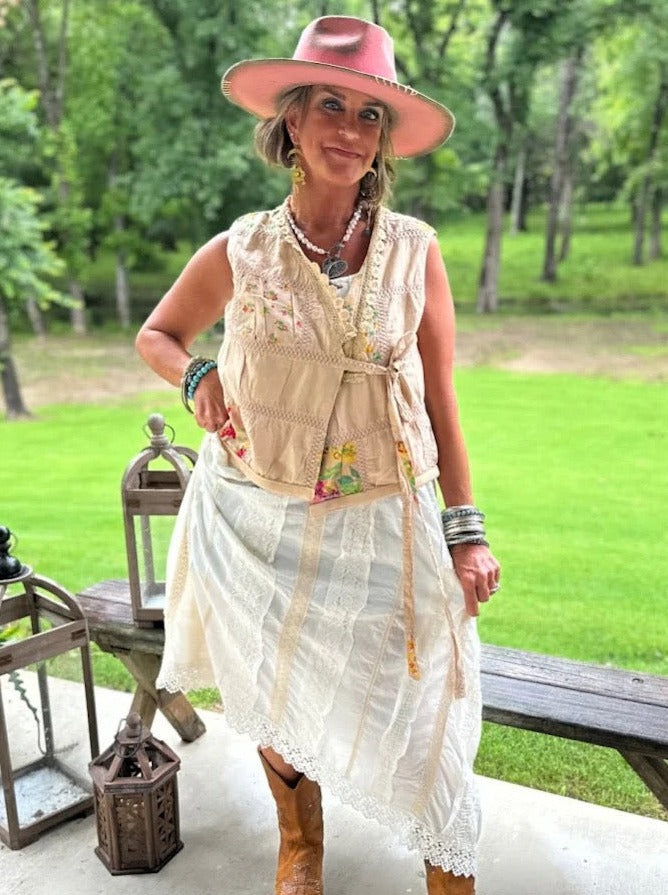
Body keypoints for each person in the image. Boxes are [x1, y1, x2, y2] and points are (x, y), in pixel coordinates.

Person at [136, 15, 500, 895]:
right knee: (272, 684)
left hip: (384, 514)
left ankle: (449, 870)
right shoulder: (242, 249)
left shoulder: (415, 251)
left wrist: (466, 530)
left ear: (384, 139)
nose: (350, 129)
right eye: (330, 106)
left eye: (370, 114)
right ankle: (300, 843)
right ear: (291, 120)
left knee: (426, 699)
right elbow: (158, 334)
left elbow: (442, 399)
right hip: (253, 516)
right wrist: (197, 376)